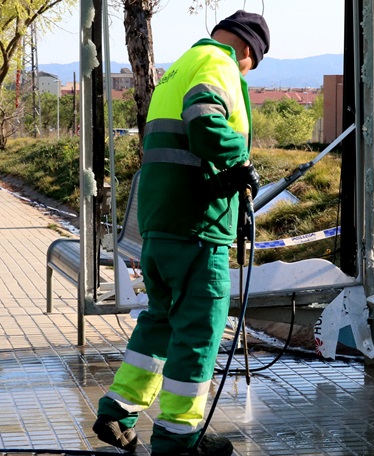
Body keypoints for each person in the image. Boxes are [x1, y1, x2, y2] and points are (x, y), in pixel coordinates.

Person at [92, 10, 268, 456]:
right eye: (254, 62)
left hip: (159, 221)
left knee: (161, 319)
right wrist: (242, 165)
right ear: (247, 49)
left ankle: (117, 409)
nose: (248, 68)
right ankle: (178, 434)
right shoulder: (220, 64)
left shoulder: (177, 69)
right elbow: (206, 123)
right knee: (199, 330)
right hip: (197, 225)